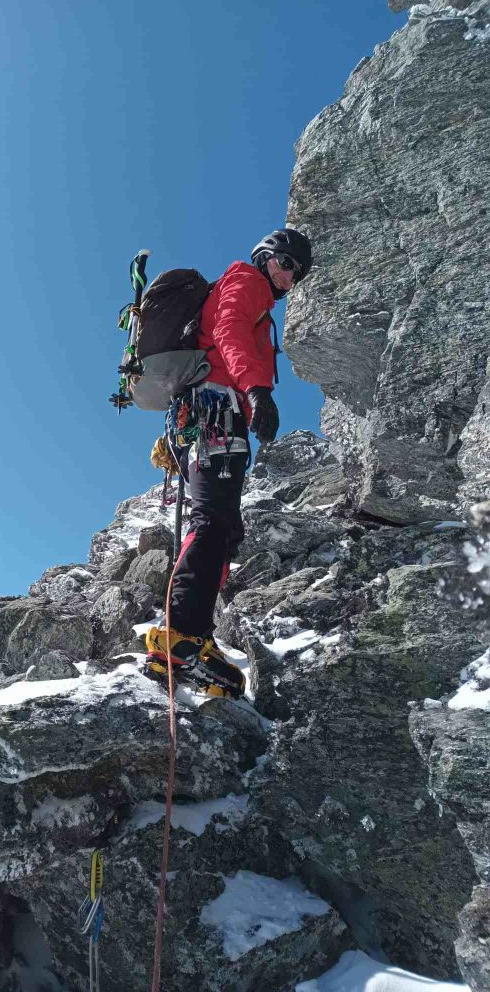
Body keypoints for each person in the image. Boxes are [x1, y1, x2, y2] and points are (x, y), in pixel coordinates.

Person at [144, 228, 313, 697]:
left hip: (204, 414)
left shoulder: (255, 290)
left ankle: (187, 642)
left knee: (224, 525)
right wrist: (256, 390)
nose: (290, 279)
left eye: (297, 274)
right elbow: (230, 330)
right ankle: (182, 636)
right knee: (214, 519)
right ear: (266, 257)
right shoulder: (245, 280)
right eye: (287, 265)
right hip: (216, 408)